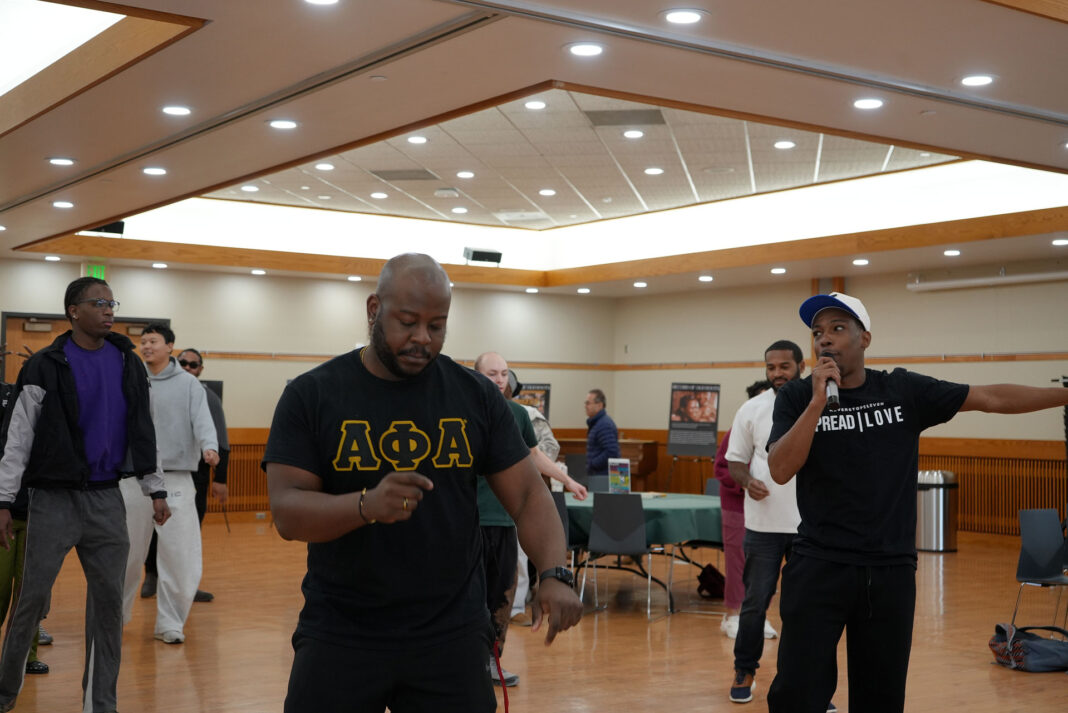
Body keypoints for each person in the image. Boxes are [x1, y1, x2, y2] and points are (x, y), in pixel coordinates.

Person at [264, 253, 583, 713]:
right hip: (341, 629)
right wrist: (366, 505)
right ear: (374, 309)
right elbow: (287, 511)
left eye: (437, 325)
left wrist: (554, 573)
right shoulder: (313, 394)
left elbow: (530, 495)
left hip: (450, 633)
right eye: (408, 322)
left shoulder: (474, 395)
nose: (422, 338)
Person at [766, 292, 1068, 713]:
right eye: (818, 333)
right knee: (796, 695)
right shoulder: (798, 398)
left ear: (865, 338)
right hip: (818, 565)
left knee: (882, 698)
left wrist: (1065, 396)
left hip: (889, 570)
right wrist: (817, 403)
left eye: (837, 328)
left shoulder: (902, 389)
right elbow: (780, 469)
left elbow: (990, 398)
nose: (825, 340)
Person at [0, 276, 170, 713]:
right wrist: (3, 500)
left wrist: (155, 487)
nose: (109, 310)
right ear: (73, 311)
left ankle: (100, 704)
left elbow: (143, 426)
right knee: (31, 601)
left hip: (106, 499)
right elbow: (18, 438)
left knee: (109, 606)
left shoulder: (127, 362)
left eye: (112, 302)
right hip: (53, 500)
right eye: (98, 303)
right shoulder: (43, 365)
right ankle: (4, 694)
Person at [473, 353, 586, 685]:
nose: (499, 379)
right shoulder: (463, 409)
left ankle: (493, 660)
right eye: (491, 373)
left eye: (503, 373)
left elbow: (534, 456)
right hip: (468, 521)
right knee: (468, 596)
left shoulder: (518, 414)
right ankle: (463, 663)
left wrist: (567, 480)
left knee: (501, 596)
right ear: (477, 376)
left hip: (505, 521)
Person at [726, 341, 826, 708]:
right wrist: (746, 481)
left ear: (801, 366)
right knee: (755, 604)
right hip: (763, 527)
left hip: (810, 527)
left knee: (810, 608)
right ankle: (744, 670)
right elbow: (735, 461)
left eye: (784, 366)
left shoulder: (821, 405)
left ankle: (812, 685)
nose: (777, 373)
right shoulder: (752, 409)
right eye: (771, 367)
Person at [121, 324, 219, 645]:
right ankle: (115, 617)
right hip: (135, 478)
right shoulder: (132, 379)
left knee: (179, 555)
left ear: (170, 346)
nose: (146, 346)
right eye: (143, 342)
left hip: (177, 476)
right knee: (126, 552)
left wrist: (209, 446)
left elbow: (203, 419)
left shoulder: (189, 384)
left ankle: (170, 623)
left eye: (153, 341)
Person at [141, 348, 229, 603]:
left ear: (200, 369)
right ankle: (151, 575)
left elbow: (221, 439)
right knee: (152, 528)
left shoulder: (208, 397)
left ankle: (186, 586)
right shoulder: (154, 389)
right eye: (184, 363)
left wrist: (220, 478)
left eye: (193, 364)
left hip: (194, 476)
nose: (188, 367)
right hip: (155, 473)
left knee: (186, 535)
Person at [714, 379, 771, 639]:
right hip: (737, 506)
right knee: (737, 562)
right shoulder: (736, 429)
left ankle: (759, 615)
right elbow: (721, 468)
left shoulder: (780, 428)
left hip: (767, 506)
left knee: (764, 565)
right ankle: (732, 615)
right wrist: (746, 484)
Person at [584, 388, 620, 475]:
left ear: (599, 405)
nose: (585, 406)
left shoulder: (604, 425)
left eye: (588, 403)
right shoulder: (597, 423)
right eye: (585, 403)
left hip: (602, 476)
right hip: (598, 474)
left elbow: (612, 452)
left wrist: (593, 464)